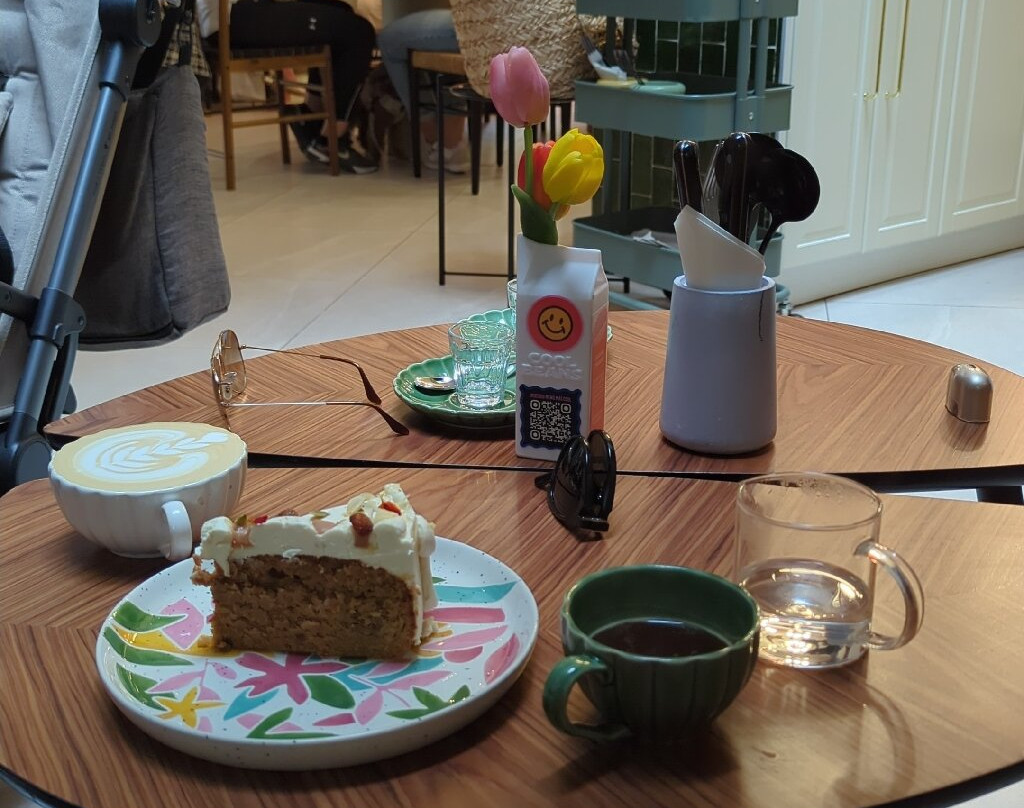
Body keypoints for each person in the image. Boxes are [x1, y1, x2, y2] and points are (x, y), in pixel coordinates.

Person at [196, 0, 380, 174]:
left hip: (230, 15)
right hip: (232, 17)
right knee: (359, 31)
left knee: (341, 11)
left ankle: (312, 116)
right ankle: (333, 139)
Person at [376, 5, 470, 173]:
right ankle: (452, 144)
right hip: (505, 26)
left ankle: (430, 134)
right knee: (427, 45)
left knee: (388, 40)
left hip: (472, 25)